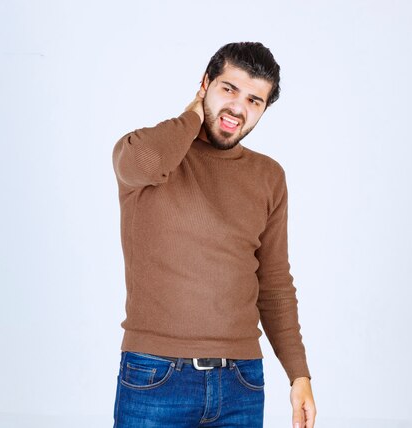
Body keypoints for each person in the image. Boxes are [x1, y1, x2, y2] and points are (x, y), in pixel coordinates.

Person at [111, 41, 316, 428]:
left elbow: (273, 283)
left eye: (255, 101)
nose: (239, 109)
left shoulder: (268, 176)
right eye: (229, 89)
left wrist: (298, 374)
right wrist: (194, 113)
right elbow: (146, 162)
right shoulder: (147, 152)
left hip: (241, 382)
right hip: (155, 376)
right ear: (205, 83)